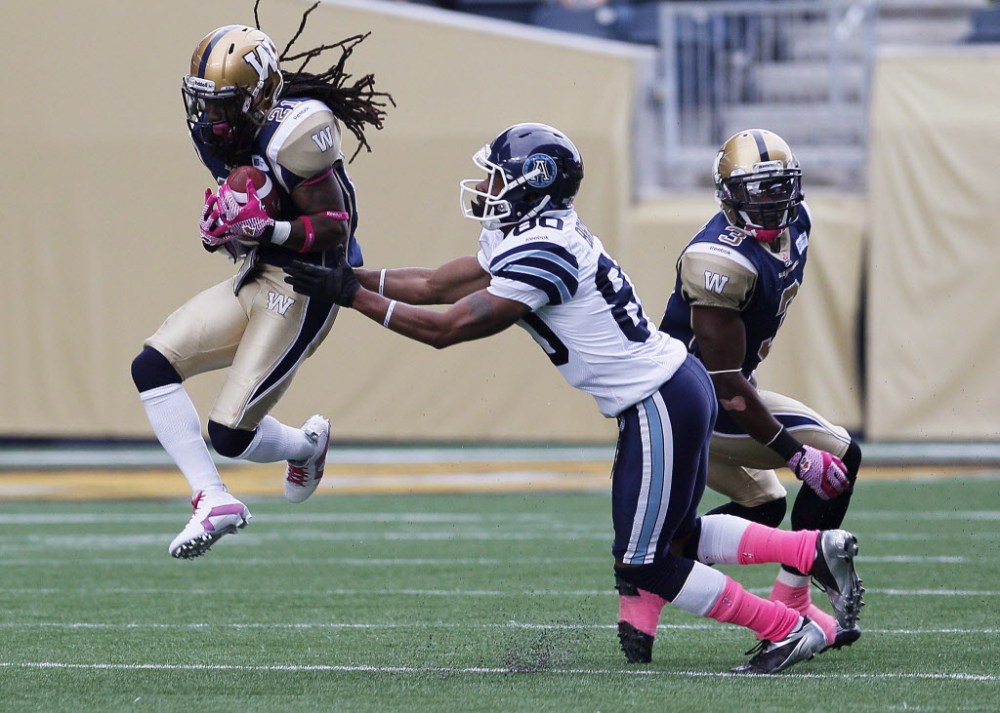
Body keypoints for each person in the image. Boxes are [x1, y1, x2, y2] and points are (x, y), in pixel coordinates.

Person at [282, 122, 864, 674]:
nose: (486, 186)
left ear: (532, 182)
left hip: (657, 399)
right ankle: (811, 550)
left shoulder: (543, 252)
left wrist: (348, 297)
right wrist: (346, 274)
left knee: (646, 562)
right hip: (667, 390)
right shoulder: (534, 231)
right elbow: (435, 285)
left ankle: (782, 628)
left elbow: (447, 328)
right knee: (678, 538)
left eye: (497, 175)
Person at [130, 8, 393, 559]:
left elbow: (334, 229)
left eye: (222, 104)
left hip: (308, 283)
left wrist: (263, 226)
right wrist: (224, 231)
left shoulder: (298, 132)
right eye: (203, 99)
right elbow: (249, 211)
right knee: (152, 365)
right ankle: (211, 497)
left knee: (229, 435)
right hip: (261, 271)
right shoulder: (217, 134)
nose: (209, 115)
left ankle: (304, 444)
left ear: (257, 98)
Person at [615, 128, 864, 664]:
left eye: (779, 188)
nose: (770, 202)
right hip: (691, 398)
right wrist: (797, 456)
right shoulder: (718, 262)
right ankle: (791, 601)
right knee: (839, 455)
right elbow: (728, 384)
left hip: (705, 392)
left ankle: (648, 581)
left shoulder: (797, 222)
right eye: (756, 191)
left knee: (765, 504)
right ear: (728, 194)